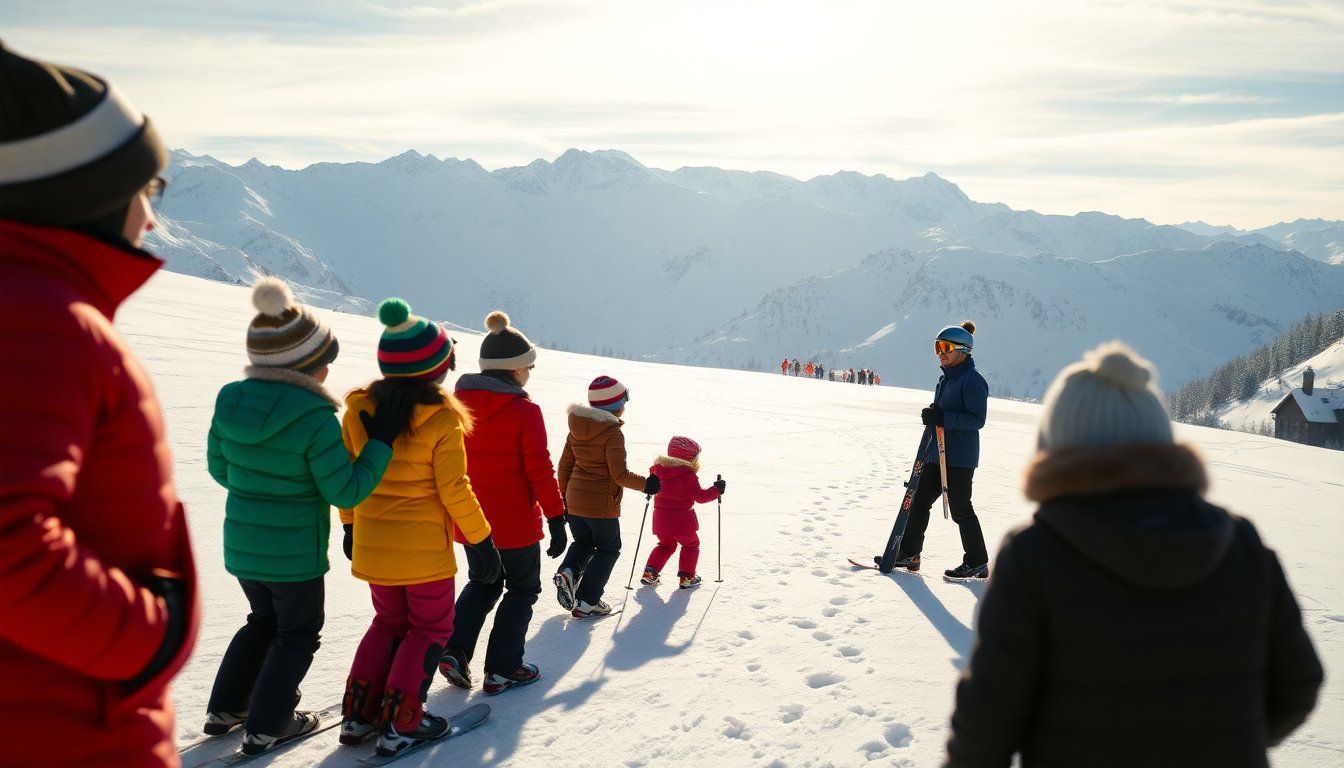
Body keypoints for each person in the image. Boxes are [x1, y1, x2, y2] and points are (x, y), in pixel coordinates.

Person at [944, 341, 1324, 767]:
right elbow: (1299, 683)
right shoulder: (1240, 543)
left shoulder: (1035, 555)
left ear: (1057, 446)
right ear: (1161, 441)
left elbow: (987, 725)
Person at [0, 41, 199, 767]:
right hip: (65, 727)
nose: (150, 218)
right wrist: (150, 635)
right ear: (82, 193)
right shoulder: (37, 317)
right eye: (149, 189)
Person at [203, 278, 400, 754]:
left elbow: (219, 468)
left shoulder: (231, 398)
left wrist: (261, 492)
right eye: (324, 360)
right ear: (305, 366)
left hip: (243, 547)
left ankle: (227, 707)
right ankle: (269, 724)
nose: (329, 367)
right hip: (293, 555)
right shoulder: (314, 417)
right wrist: (381, 444)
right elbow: (344, 488)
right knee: (297, 633)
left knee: (261, 621)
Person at [337, 298, 501, 758]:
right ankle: (403, 720)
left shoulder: (357, 410)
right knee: (429, 628)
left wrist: (349, 526)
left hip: (373, 543)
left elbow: (349, 472)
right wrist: (482, 540)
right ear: (435, 369)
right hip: (424, 551)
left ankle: (358, 714)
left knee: (387, 622)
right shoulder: (442, 418)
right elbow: (455, 489)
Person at [438, 311, 566, 696]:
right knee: (522, 590)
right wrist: (558, 517)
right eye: (529, 366)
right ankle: (504, 668)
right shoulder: (526, 411)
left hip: (469, 521)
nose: (530, 372)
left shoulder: (454, 405)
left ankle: (455, 650)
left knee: (483, 582)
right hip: (515, 526)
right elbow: (540, 470)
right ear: (514, 370)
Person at [888, 321, 990, 580]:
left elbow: (976, 419)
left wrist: (944, 417)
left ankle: (977, 561)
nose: (941, 352)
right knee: (919, 500)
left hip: (959, 457)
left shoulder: (973, 381)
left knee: (960, 508)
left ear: (963, 350)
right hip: (937, 453)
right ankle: (910, 553)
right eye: (937, 347)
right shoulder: (947, 378)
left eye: (946, 347)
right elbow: (943, 414)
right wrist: (936, 416)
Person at [553, 376, 660, 618]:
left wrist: (565, 498)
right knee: (609, 548)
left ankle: (568, 572)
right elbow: (619, 474)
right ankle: (587, 601)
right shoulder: (612, 434)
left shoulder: (575, 429)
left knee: (582, 543)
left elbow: (564, 468)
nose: (625, 405)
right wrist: (647, 484)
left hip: (574, 502)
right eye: (624, 400)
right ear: (615, 406)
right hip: (601, 506)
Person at [640, 436, 725, 589]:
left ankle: (650, 573)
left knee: (665, 545)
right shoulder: (687, 476)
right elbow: (700, 497)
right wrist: (716, 490)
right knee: (691, 545)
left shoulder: (657, 471)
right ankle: (687, 577)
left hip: (660, 520)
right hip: (682, 522)